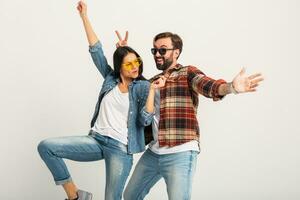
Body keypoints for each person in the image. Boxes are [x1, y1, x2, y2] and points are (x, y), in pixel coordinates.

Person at [124, 32, 264, 200]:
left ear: (176, 52)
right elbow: (131, 81)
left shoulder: (186, 73)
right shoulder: (153, 81)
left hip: (180, 151)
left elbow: (208, 85)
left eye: (163, 50)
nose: (157, 55)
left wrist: (231, 88)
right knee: (130, 195)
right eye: (154, 51)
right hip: (154, 152)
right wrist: (124, 54)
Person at [37, 1, 156, 200]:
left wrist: (152, 90)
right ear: (119, 67)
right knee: (46, 147)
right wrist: (84, 16)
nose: (134, 66)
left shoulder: (143, 87)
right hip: (96, 140)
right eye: (128, 64)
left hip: (121, 148)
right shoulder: (110, 78)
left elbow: (145, 120)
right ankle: (75, 196)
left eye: (137, 62)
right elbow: (96, 50)